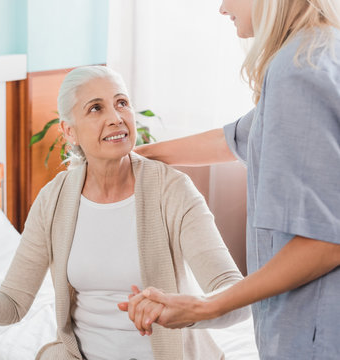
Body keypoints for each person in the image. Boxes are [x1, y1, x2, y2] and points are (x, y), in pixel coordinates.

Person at [0, 66, 249, 360]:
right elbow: (12, 303)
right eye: (95, 108)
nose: (116, 118)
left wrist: (186, 309)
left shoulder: (172, 190)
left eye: (122, 103)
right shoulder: (54, 199)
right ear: (69, 130)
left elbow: (234, 293)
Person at [127, 0, 340, 359]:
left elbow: (324, 243)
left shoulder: (297, 70)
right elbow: (241, 136)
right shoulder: (319, 48)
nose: (222, 8)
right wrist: (139, 157)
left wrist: (204, 307)